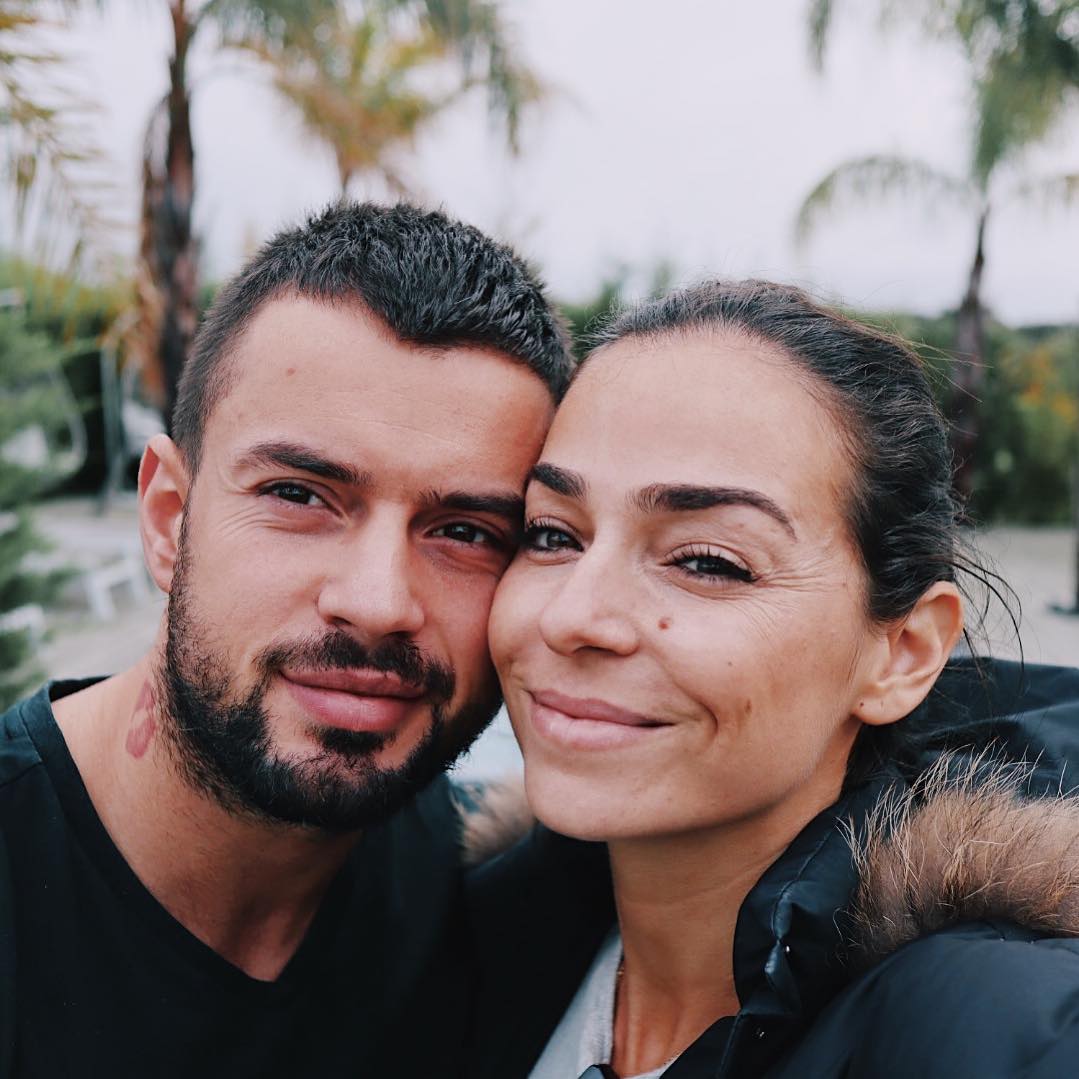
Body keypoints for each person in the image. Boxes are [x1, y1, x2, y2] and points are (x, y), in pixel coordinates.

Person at [0, 201, 574, 1078]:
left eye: (464, 532)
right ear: (168, 518)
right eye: (298, 495)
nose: (377, 603)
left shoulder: (490, 900)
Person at [465, 280, 1079, 1079]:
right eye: (551, 534)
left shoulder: (994, 1032)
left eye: (707, 561)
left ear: (902, 653)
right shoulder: (454, 940)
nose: (571, 616)